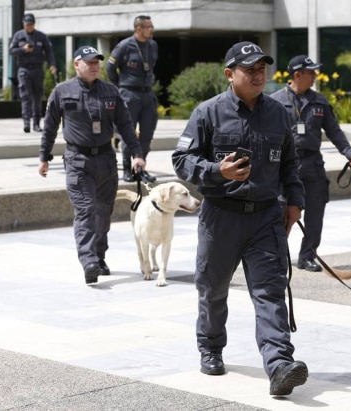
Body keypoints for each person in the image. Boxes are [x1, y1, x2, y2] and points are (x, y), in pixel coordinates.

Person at [171, 41, 308, 396]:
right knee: (212, 290)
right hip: (221, 217)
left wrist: (295, 201)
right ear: (230, 74)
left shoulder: (279, 113)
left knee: (270, 292)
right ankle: (211, 346)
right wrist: (217, 171)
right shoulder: (208, 112)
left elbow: (291, 163)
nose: (258, 75)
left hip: (265, 217)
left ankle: (279, 365)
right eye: (250, 69)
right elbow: (181, 160)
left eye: (262, 68)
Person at [38, 46, 146, 285]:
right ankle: (88, 261)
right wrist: (44, 157)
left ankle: (98, 255)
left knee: (103, 213)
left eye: (98, 62)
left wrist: (137, 155)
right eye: (89, 62)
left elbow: (126, 125)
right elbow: (50, 126)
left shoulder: (111, 91)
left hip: (106, 160)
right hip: (78, 161)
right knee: (85, 210)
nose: (95, 65)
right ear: (77, 64)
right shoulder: (62, 91)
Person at [270, 55, 351, 272]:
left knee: (315, 215)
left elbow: (334, 131)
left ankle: (307, 257)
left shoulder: (320, 101)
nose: (314, 77)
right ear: (297, 75)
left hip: (313, 165)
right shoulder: (274, 101)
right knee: (282, 213)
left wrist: (350, 154)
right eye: (311, 73)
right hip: (285, 165)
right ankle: (277, 258)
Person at [106, 15, 159, 183]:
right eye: (148, 27)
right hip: (129, 94)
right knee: (127, 133)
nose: (152, 29)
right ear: (138, 29)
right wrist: (120, 87)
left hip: (147, 94)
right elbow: (110, 68)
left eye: (151, 26)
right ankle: (127, 169)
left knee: (147, 135)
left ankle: (140, 169)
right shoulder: (124, 46)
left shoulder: (152, 45)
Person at [9, 13, 57, 133]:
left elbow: (49, 51)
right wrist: (23, 49)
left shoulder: (41, 36)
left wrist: (52, 65)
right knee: (25, 96)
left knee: (37, 96)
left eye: (30, 24)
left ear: (34, 24)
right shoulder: (18, 36)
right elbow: (11, 50)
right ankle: (26, 123)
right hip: (24, 69)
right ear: (23, 24)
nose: (28, 27)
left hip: (37, 69)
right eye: (26, 25)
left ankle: (36, 123)